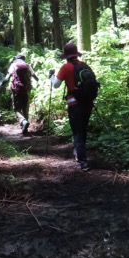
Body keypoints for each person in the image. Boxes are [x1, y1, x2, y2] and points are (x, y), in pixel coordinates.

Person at [50, 42, 94, 171]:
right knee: (83, 129)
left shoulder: (66, 67)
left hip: (74, 104)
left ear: (66, 56)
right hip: (87, 102)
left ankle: (83, 161)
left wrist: (51, 76)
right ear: (76, 54)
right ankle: (79, 154)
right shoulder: (85, 65)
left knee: (77, 131)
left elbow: (56, 85)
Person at [4, 53, 38, 134]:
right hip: (26, 89)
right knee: (25, 108)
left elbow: (7, 77)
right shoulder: (27, 65)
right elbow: (35, 77)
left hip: (16, 89)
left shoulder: (13, 65)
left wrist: (2, 83)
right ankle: (25, 128)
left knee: (17, 108)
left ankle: (23, 121)